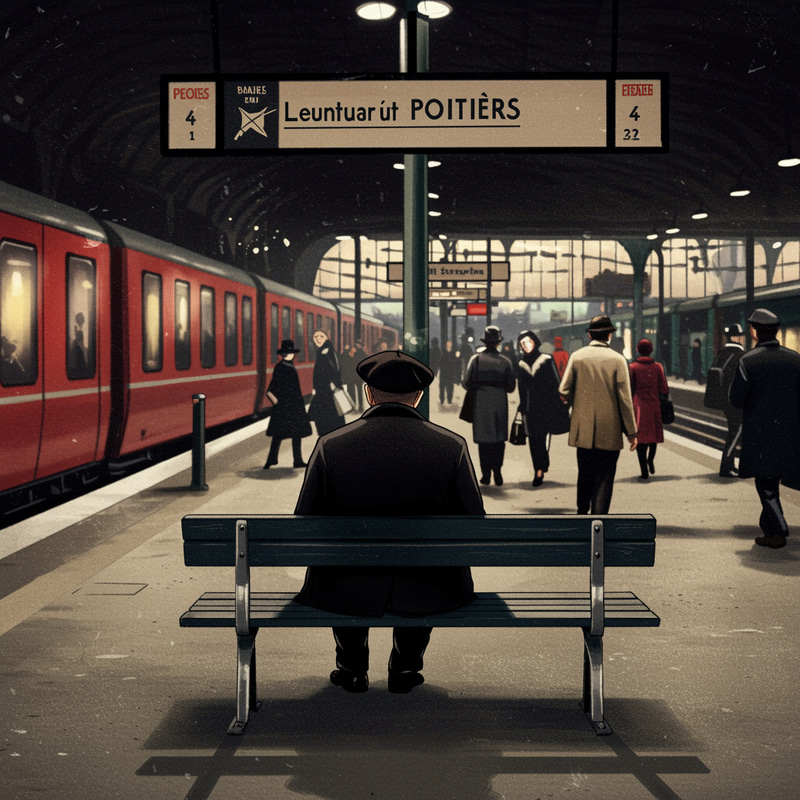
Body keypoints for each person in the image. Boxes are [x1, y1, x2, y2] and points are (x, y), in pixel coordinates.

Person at [294, 350, 485, 693]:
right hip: (430, 587)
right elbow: (475, 521)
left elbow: (304, 520)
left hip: (345, 585)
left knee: (342, 570)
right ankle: (406, 665)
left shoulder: (330, 446)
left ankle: (351, 665)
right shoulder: (451, 446)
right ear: (419, 396)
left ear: (368, 393)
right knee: (427, 570)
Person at [729, 308, 800, 549]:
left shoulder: (747, 361)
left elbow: (736, 399)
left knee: (766, 484)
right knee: (775, 480)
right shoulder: (795, 359)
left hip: (761, 433)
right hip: (791, 432)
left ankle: (778, 531)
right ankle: (768, 528)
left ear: (754, 331)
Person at [558, 315, 638, 514]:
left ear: (589, 334)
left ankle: (582, 512)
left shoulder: (577, 357)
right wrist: (631, 432)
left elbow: (563, 390)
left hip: (582, 428)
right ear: (609, 335)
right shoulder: (618, 360)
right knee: (605, 476)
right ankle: (599, 519)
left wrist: (578, 403)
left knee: (584, 473)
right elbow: (625, 400)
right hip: (609, 429)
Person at [462, 326, 516, 486]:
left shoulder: (476, 360)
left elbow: (466, 383)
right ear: (498, 343)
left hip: (480, 405)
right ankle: (497, 472)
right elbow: (511, 387)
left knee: (484, 443)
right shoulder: (506, 362)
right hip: (500, 405)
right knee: (499, 441)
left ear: (485, 342)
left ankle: (485, 475)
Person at [516, 330, 570, 487]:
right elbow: (521, 388)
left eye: (528, 342)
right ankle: (538, 470)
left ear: (534, 342)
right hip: (529, 408)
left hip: (546, 406)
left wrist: (560, 401)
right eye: (522, 344)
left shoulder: (547, 360)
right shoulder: (521, 364)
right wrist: (522, 406)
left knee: (541, 437)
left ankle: (541, 465)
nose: (525, 346)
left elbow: (556, 382)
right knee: (534, 440)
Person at [704, 323, 746, 477]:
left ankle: (731, 465)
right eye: (741, 336)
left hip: (723, 401)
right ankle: (725, 467)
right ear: (736, 338)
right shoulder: (740, 356)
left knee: (734, 430)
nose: (742, 339)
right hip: (734, 401)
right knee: (737, 431)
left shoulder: (722, 353)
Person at [263, 340, 312, 469]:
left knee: (278, 435)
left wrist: (277, 403)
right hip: (292, 406)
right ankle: (297, 461)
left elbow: (272, 388)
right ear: (291, 354)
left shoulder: (279, 367)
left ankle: (271, 460)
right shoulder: (288, 368)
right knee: (296, 434)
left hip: (283, 407)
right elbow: (293, 389)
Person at [629, 338, 669, 480]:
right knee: (653, 437)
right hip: (654, 405)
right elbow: (663, 389)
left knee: (641, 438)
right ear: (651, 350)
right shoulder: (658, 367)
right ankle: (651, 459)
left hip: (638, 406)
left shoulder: (632, 367)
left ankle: (643, 470)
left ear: (637, 349)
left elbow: (629, 388)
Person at [307, 329, 345, 435]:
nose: (318, 339)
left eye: (321, 336)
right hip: (325, 392)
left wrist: (333, 383)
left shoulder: (325, 351)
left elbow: (333, 370)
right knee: (332, 422)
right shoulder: (328, 350)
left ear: (327, 338)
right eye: (315, 337)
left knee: (325, 423)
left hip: (326, 393)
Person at [438, 339, 458, 404]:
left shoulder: (444, 354)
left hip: (447, 373)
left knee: (447, 387)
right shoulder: (447, 354)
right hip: (447, 373)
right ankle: (444, 399)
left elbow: (440, 364)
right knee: (446, 387)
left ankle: (446, 399)